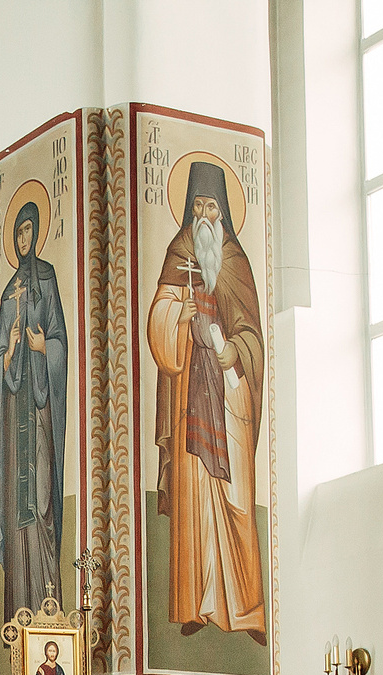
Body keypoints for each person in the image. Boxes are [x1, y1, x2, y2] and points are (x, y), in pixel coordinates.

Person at [146, 160, 266, 640]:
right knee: (196, 500)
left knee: (238, 500)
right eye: (196, 204)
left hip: (229, 394)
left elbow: (254, 335)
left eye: (211, 205)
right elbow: (158, 319)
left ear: (224, 213)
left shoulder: (236, 262)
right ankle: (196, 607)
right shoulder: (179, 256)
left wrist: (235, 348)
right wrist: (180, 312)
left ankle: (248, 610)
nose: (203, 214)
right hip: (191, 396)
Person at [0, 195, 67, 622]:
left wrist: (43, 348)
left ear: (36, 233)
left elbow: (58, 338)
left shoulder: (49, 277)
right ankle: (19, 604)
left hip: (38, 405)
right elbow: (1, 352)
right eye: (17, 231)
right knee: (17, 497)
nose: (23, 239)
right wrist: (12, 349)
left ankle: (48, 600)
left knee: (40, 497)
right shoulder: (8, 292)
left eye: (28, 230)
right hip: (13, 408)